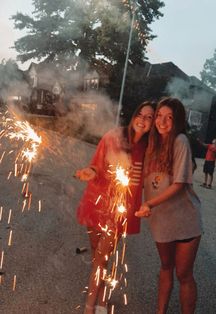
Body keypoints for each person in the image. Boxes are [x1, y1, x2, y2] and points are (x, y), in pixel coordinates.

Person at [75, 101, 155, 314]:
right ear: (134, 115)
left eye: (149, 117)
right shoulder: (114, 136)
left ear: (152, 124)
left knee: (101, 258)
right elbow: (96, 164)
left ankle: (89, 307)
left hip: (119, 211)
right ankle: (101, 297)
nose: (143, 120)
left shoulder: (148, 148)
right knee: (98, 257)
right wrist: (90, 171)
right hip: (96, 203)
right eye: (141, 114)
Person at [135, 97, 202, 314]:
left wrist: (149, 203)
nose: (162, 121)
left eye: (169, 117)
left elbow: (180, 184)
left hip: (184, 220)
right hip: (160, 220)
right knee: (165, 267)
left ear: (178, 121)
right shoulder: (151, 145)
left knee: (183, 274)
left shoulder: (180, 141)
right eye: (159, 116)